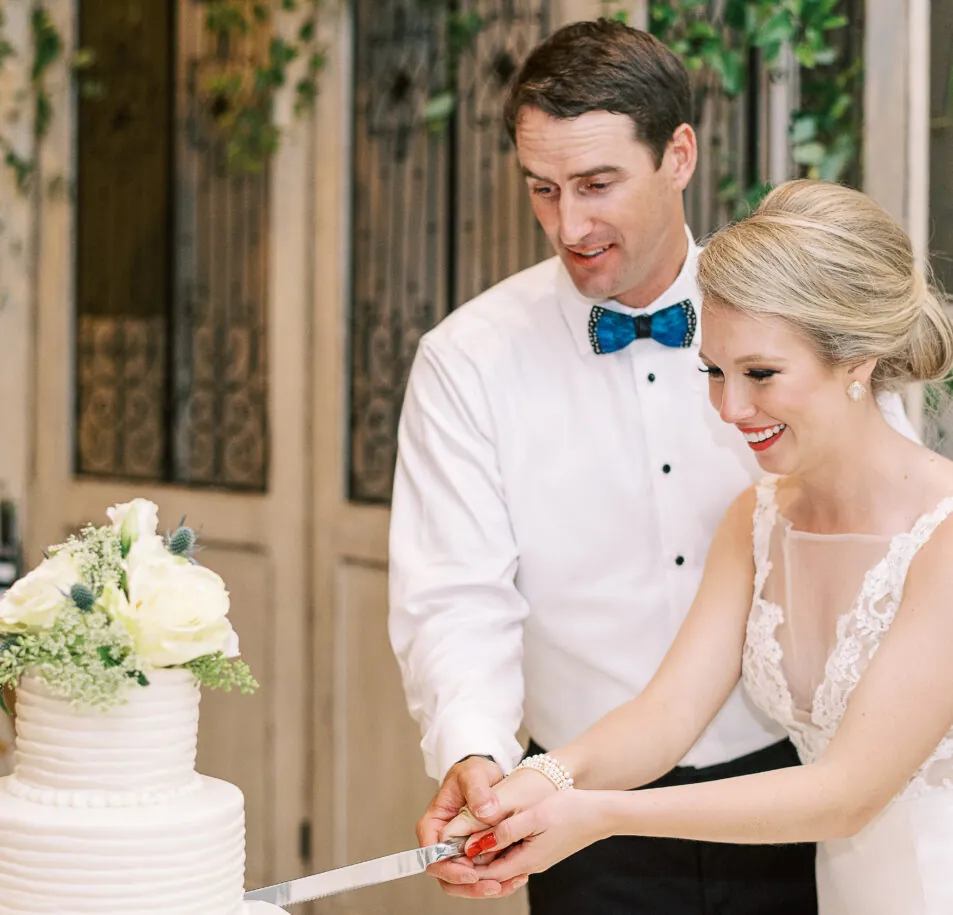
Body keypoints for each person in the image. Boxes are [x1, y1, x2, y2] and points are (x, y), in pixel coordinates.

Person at [388, 18, 913, 914]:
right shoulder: (467, 359)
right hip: (593, 818)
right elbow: (455, 596)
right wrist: (488, 762)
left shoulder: (809, 325)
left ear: (678, 155)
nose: (569, 223)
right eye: (542, 189)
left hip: (810, 795)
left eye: (597, 184)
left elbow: (887, 519)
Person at [443, 178, 953, 915]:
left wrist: (604, 814)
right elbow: (667, 712)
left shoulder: (943, 534)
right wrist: (545, 779)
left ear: (857, 361)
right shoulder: (759, 515)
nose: (729, 407)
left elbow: (846, 794)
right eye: (713, 370)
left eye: (760, 374)